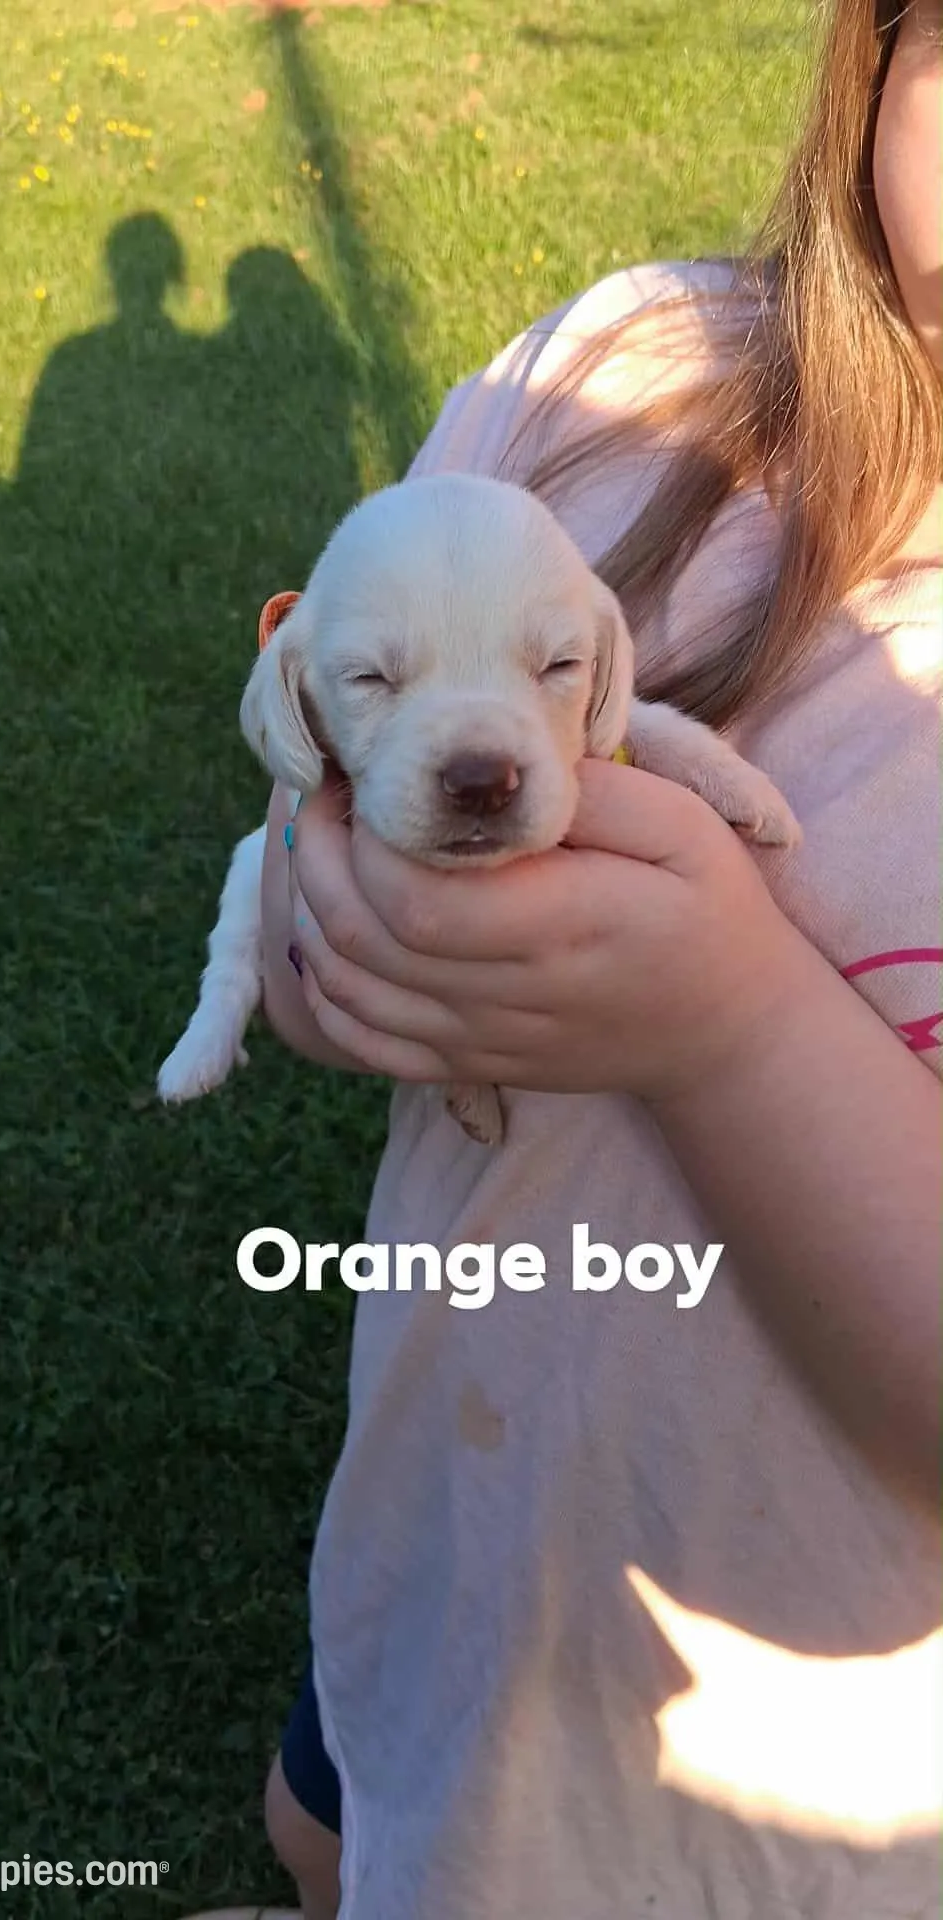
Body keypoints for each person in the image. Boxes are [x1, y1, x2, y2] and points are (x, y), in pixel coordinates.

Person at [258, 1, 942, 1914]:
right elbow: (327, 810)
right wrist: (344, 953)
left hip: (794, 1775)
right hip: (450, 1531)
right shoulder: (622, 376)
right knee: (340, 1829)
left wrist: (720, 1027)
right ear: (873, 59)